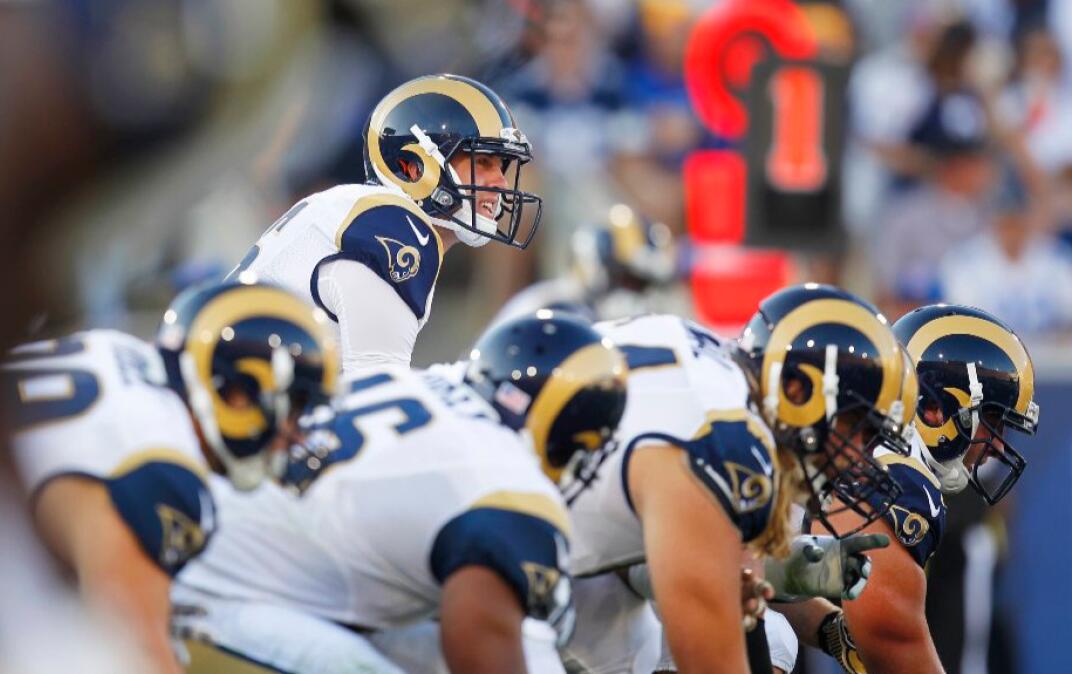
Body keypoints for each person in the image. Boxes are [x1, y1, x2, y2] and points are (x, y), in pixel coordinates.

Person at [170, 313, 628, 674]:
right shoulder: (509, 483)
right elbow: (479, 649)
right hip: (211, 603)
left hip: (196, 554)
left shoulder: (412, 385)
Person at [559, 284, 913, 674]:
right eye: (857, 429)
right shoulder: (727, 443)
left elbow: (646, 539)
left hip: (550, 542)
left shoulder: (715, 375)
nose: (861, 456)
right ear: (798, 392)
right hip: (509, 552)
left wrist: (811, 612)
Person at [2, 281, 338, 674]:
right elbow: (132, 646)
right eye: (294, 407)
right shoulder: (167, 470)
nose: (294, 434)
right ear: (237, 393)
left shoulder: (115, 349)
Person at [779, 303, 1039, 674]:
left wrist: (826, 630)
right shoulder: (899, 478)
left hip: (679, 568)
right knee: (773, 641)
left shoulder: (862, 445)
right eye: (993, 420)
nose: (998, 446)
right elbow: (898, 649)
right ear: (934, 409)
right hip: (677, 584)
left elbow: (761, 567)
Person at [227, 73, 542, 372]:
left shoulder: (359, 209)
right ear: (416, 163)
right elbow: (378, 396)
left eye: (502, 166)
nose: (500, 181)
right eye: (483, 161)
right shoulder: (394, 226)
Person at [490, 202, 682, 325]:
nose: (637, 295)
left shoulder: (655, 327)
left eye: (643, 285)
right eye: (628, 281)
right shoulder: (546, 309)